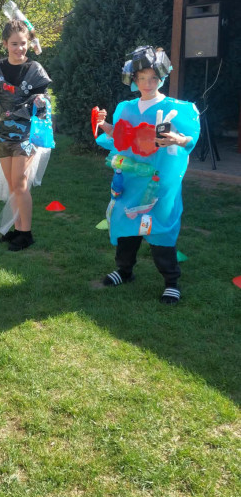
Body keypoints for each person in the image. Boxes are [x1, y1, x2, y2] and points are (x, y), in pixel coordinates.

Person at [94, 46, 200, 304]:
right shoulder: (126, 108)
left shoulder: (178, 109)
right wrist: (103, 125)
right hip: (129, 180)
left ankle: (171, 281)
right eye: (141, 78)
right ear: (134, 79)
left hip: (159, 183)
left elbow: (190, 138)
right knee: (126, 226)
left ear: (162, 78)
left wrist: (178, 139)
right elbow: (121, 136)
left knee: (161, 228)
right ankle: (124, 270)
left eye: (153, 78)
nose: (147, 83)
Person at [0, 19, 52, 251]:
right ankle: (17, 229)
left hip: (26, 133)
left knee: (20, 183)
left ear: (28, 43)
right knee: (11, 185)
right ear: (5, 44)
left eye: (23, 43)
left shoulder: (35, 70)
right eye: (14, 44)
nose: (20, 48)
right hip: (3, 133)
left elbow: (44, 104)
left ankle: (26, 233)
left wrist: (41, 102)